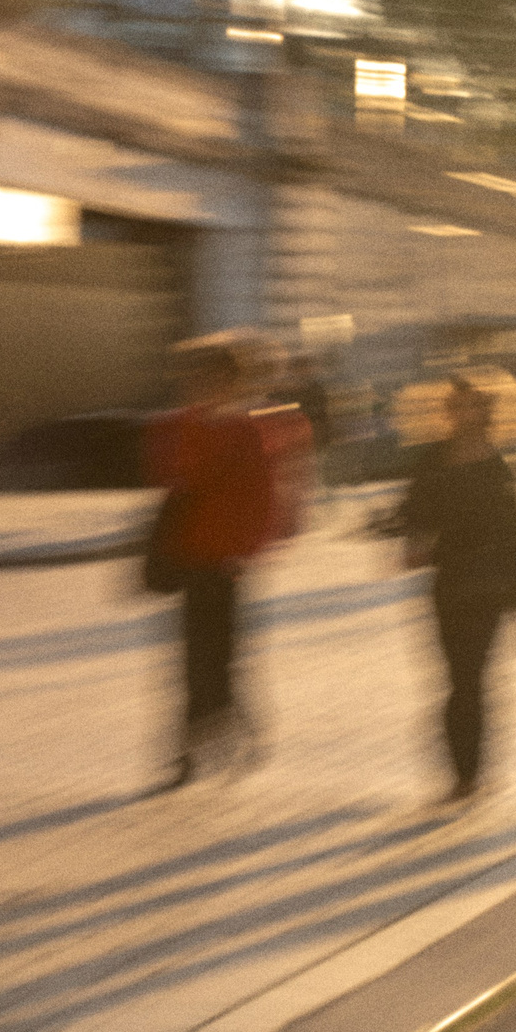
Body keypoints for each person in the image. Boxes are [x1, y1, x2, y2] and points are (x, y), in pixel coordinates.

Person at [143, 332, 311, 788]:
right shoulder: (186, 425)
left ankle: (230, 729)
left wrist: (248, 549)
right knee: (193, 661)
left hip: (227, 563)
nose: (197, 384)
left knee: (218, 658)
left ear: (231, 381)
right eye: (193, 376)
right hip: (190, 558)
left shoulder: (251, 430)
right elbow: (172, 475)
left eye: (210, 376)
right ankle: (191, 753)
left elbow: (262, 500)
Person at [398, 375, 516, 802]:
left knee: (474, 677)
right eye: (456, 406)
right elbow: (413, 512)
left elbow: (515, 532)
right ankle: (463, 770)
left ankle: (470, 773)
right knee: (456, 678)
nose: (463, 413)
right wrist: (413, 540)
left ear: (486, 410)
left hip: (489, 584)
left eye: (471, 405)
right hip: (450, 581)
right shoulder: (433, 460)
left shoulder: (498, 463)